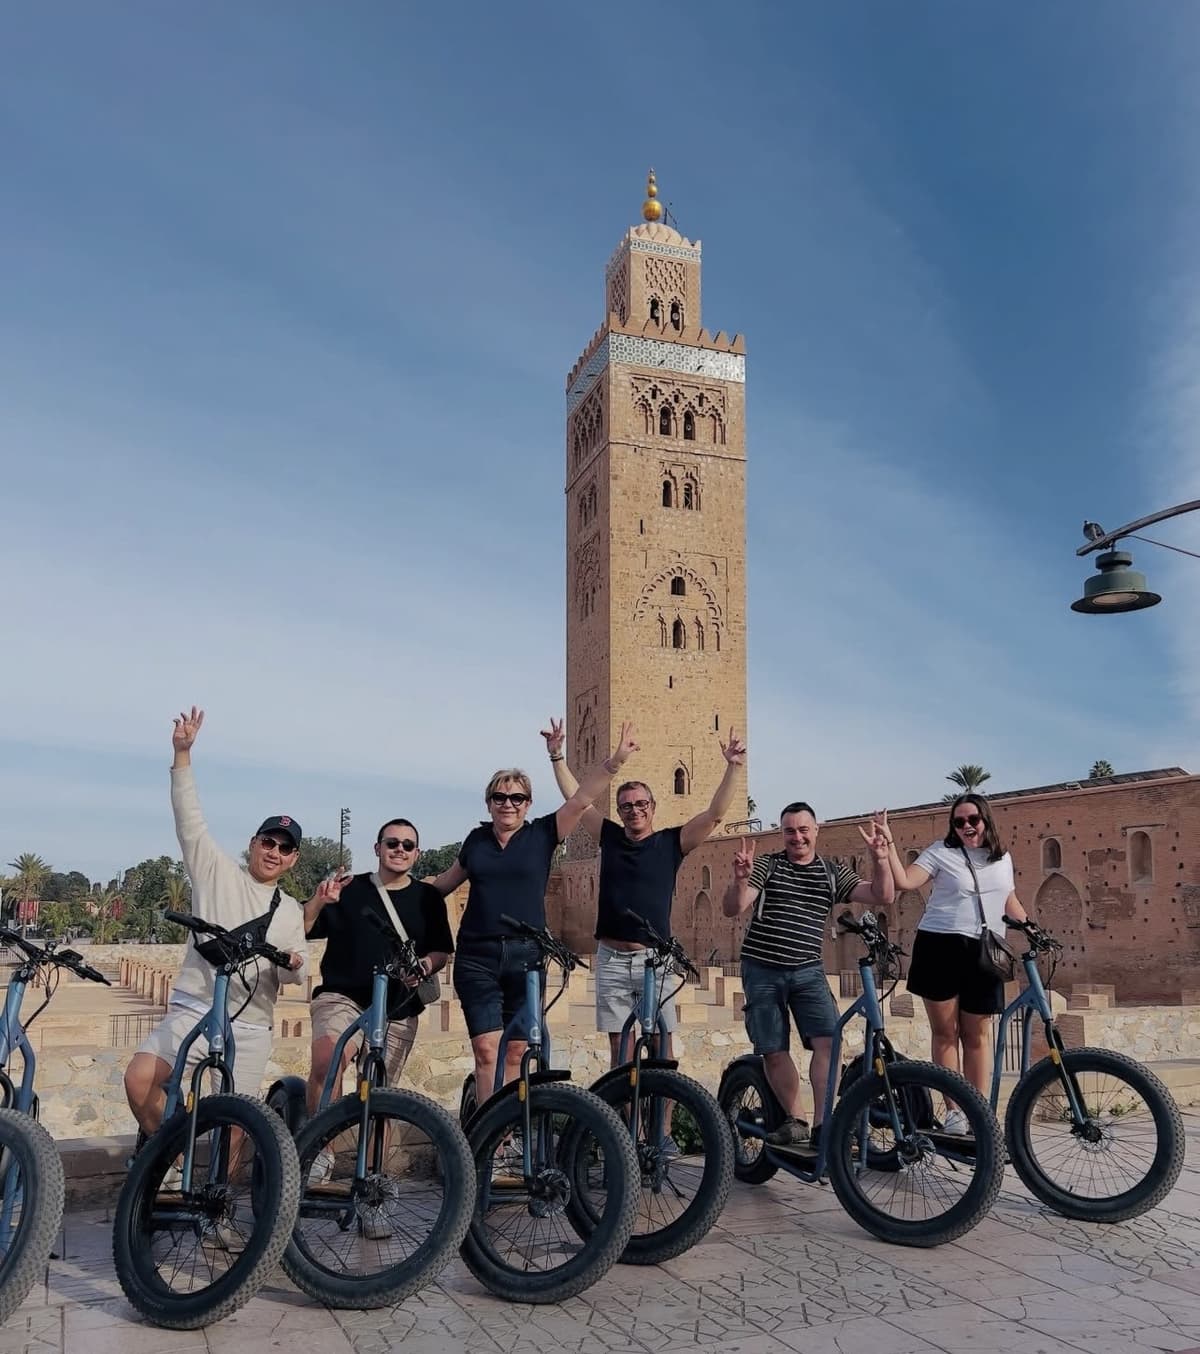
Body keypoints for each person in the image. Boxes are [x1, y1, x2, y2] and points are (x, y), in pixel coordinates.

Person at [124, 707, 309, 1138]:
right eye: (269, 842)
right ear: (253, 843)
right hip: (194, 1008)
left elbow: (292, 975)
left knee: (237, 1125)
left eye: (285, 848)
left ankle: (218, 1203)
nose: (274, 852)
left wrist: (294, 963)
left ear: (293, 858)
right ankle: (168, 1160)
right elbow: (189, 819)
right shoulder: (215, 872)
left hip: (249, 1023)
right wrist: (182, 755)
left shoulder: (290, 910)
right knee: (139, 1078)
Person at [429, 722, 639, 1099]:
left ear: (528, 804)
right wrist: (383, 886)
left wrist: (613, 761)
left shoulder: (543, 833)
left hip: (526, 956)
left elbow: (580, 800)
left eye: (517, 798)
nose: (508, 803)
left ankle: (507, 1136)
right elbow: (443, 884)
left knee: (516, 1051)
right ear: (488, 802)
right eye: (500, 797)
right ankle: (487, 1138)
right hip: (478, 955)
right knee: (486, 1050)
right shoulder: (476, 841)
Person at [541, 717, 746, 1070]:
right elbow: (577, 801)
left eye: (640, 804)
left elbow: (715, 815)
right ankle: (624, 1122)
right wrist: (557, 757)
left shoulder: (671, 843)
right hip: (611, 959)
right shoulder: (610, 836)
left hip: (655, 959)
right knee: (620, 1044)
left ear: (652, 807)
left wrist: (733, 768)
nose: (634, 810)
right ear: (619, 811)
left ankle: (662, 1125)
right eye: (626, 806)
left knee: (661, 1042)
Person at [722, 802, 893, 1149]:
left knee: (829, 1043)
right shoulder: (767, 865)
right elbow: (734, 907)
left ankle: (822, 1125)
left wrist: (881, 858)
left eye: (803, 830)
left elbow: (882, 895)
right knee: (772, 1048)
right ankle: (796, 1118)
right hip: (762, 968)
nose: (796, 837)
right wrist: (740, 880)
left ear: (816, 831)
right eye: (789, 830)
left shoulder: (832, 873)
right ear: (781, 833)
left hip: (808, 970)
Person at [880, 796, 1029, 1129]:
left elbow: (1007, 897)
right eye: (958, 822)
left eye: (972, 820)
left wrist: (1030, 927)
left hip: (986, 951)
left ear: (986, 820)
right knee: (946, 1032)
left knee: (978, 1034)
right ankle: (954, 1111)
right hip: (940, 947)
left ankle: (979, 1111)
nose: (966, 827)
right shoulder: (940, 853)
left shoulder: (1002, 858)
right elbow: (906, 881)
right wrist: (889, 845)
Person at [304, 817, 453, 1115]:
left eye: (407, 845)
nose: (400, 849)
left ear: (417, 853)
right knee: (327, 1061)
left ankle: (373, 1162)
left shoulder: (428, 898)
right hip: (343, 996)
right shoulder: (349, 889)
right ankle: (321, 1151)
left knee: (380, 1094)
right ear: (377, 848)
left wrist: (424, 965)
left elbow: (442, 951)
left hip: (398, 1006)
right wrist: (318, 902)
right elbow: (303, 928)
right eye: (392, 843)